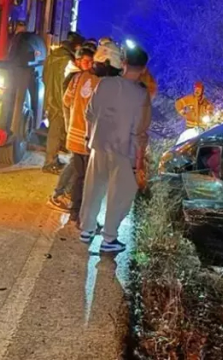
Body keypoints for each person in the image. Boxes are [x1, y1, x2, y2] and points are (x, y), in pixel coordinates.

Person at [79, 46, 151, 252]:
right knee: (120, 195)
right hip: (123, 150)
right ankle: (109, 239)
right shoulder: (141, 95)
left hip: (98, 145)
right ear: (144, 68)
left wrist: (88, 138)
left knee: (93, 189)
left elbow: (89, 114)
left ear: (124, 63)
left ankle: (86, 229)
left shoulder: (104, 84)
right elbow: (140, 132)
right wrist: (139, 164)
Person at [59, 42, 122, 223]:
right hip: (93, 141)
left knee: (80, 178)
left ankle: (75, 212)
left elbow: (67, 100)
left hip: (75, 138)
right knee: (94, 181)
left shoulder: (77, 78)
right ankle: (86, 219)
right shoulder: (107, 84)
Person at [46, 45, 96, 213]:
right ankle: (58, 194)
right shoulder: (76, 77)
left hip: (77, 131)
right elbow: (66, 102)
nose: (90, 65)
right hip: (78, 131)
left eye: (92, 62)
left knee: (76, 164)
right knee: (76, 164)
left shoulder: (79, 77)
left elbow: (68, 102)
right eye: (87, 62)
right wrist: (69, 126)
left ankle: (64, 193)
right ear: (78, 61)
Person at [42, 32, 84, 174]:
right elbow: (67, 83)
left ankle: (52, 159)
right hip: (60, 100)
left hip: (50, 97)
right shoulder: (67, 60)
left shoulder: (52, 56)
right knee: (56, 131)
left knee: (54, 130)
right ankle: (50, 162)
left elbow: (44, 76)